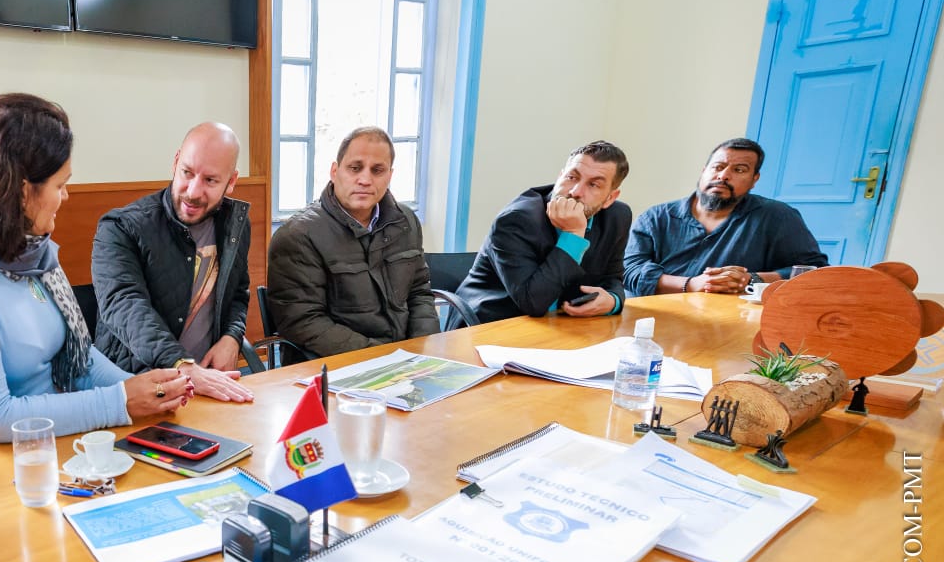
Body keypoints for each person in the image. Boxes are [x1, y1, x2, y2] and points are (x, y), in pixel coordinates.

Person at [0, 93, 191, 447]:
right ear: (23, 191)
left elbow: (79, 361)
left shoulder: (28, 249)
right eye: (60, 185)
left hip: (42, 447)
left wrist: (148, 393)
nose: (66, 196)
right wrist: (120, 402)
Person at [91, 123, 255, 402]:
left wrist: (231, 337)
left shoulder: (234, 225)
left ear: (231, 182)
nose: (193, 191)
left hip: (207, 385)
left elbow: (238, 293)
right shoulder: (120, 228)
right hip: (137, 387)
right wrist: (183, 366)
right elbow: (124, 305)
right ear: (176, 161)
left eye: (211, 181)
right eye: (187, 173)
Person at [265, 126, 439, 356]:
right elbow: (304, 322)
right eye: (355, 168)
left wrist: (420, 351)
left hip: (404, 363)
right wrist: (384, 358)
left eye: (377, 170)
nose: (365, 179)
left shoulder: (405, 221)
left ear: (390, 175)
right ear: (335, 171)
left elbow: (419, 293)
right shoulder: (298, 236)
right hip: (335, 367)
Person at [624, 137, 828, 296]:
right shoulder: (656, 217)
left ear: (754, 180)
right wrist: (691, 284)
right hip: (653, 316)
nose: (723, 176)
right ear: (704, 171)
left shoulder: (778, 217)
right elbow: (628, 270)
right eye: (718, 167)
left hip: (730, 320)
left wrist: (750, 279)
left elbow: (814, 271)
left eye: (739, 170)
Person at [456, 141, 633, 323]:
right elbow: (533, 303)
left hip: (563, 325)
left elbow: (613, 277)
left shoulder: (617, 217)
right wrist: (573, 234)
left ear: (610, 198)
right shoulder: (515, 220)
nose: (575, 191)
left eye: (594, 185)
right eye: (572, 177)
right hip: (492, 326)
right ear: (560, 175)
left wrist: (613, 301)